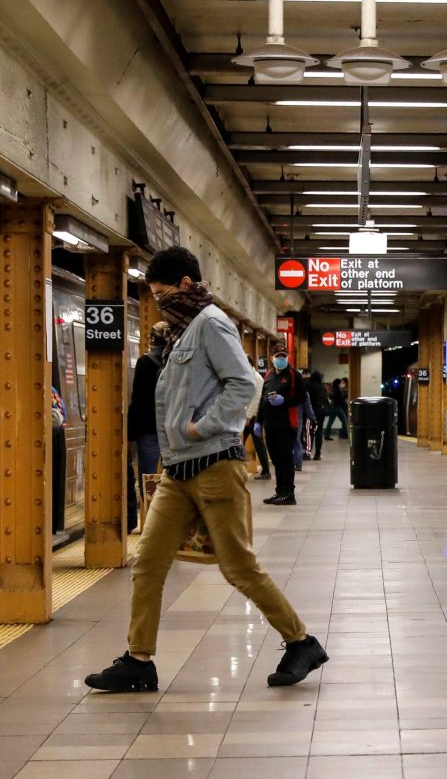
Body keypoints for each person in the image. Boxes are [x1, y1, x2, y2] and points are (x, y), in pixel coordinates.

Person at [85, 247, 328, 692]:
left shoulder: (211, 323)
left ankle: (301, 642)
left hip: (215, 465)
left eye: (162, 294)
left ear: (184, 285)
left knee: (238, 568)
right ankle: (140, 659)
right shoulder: (183, 331)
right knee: (149, 562)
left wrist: (203, 426)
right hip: (179, 470)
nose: (159, 303)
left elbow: (244, 383)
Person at [127, 321, 169, 531]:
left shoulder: (145, 362)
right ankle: (170, 521)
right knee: (173, 475)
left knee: (148, 477)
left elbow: (138, 399)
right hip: (173, 428)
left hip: (149, 429)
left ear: (152, 339)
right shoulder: (176, 361)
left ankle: (151, 523)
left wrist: (130, 433)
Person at [258, 344, 305, 505]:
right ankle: (279, 491)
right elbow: (262, 399)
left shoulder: (293, 375)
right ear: (272, 358)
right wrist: (258, 421)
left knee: (286, 458)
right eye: (278, 356)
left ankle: (289, 493)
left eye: (283, 356)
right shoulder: (269, 375)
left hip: (286, 424)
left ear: (287, 357)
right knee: (277, 459)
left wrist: (284, 401)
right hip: (270, 425)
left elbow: (301, 398)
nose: (281, 359)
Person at [242, 354, 271, 480]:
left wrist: (248, 417)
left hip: (254, 417)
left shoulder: (257, 378)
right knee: (238, 443)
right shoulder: (245, 377)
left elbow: (256, 400)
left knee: (258, 443)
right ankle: (240, 468)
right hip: (245, 416)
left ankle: (266, 471)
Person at [51, 386, 68, 535]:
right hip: (55, 440)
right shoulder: (53, 390)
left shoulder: (44, 389)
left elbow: (56, 420)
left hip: (52, 441)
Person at [307, 371, 328, 460]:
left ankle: (308, 453)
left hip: (312, 412)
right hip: (321, 413)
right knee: (319, 432)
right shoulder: (322, 387)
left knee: (310, 432)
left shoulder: (309, 386)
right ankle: (318, 454)